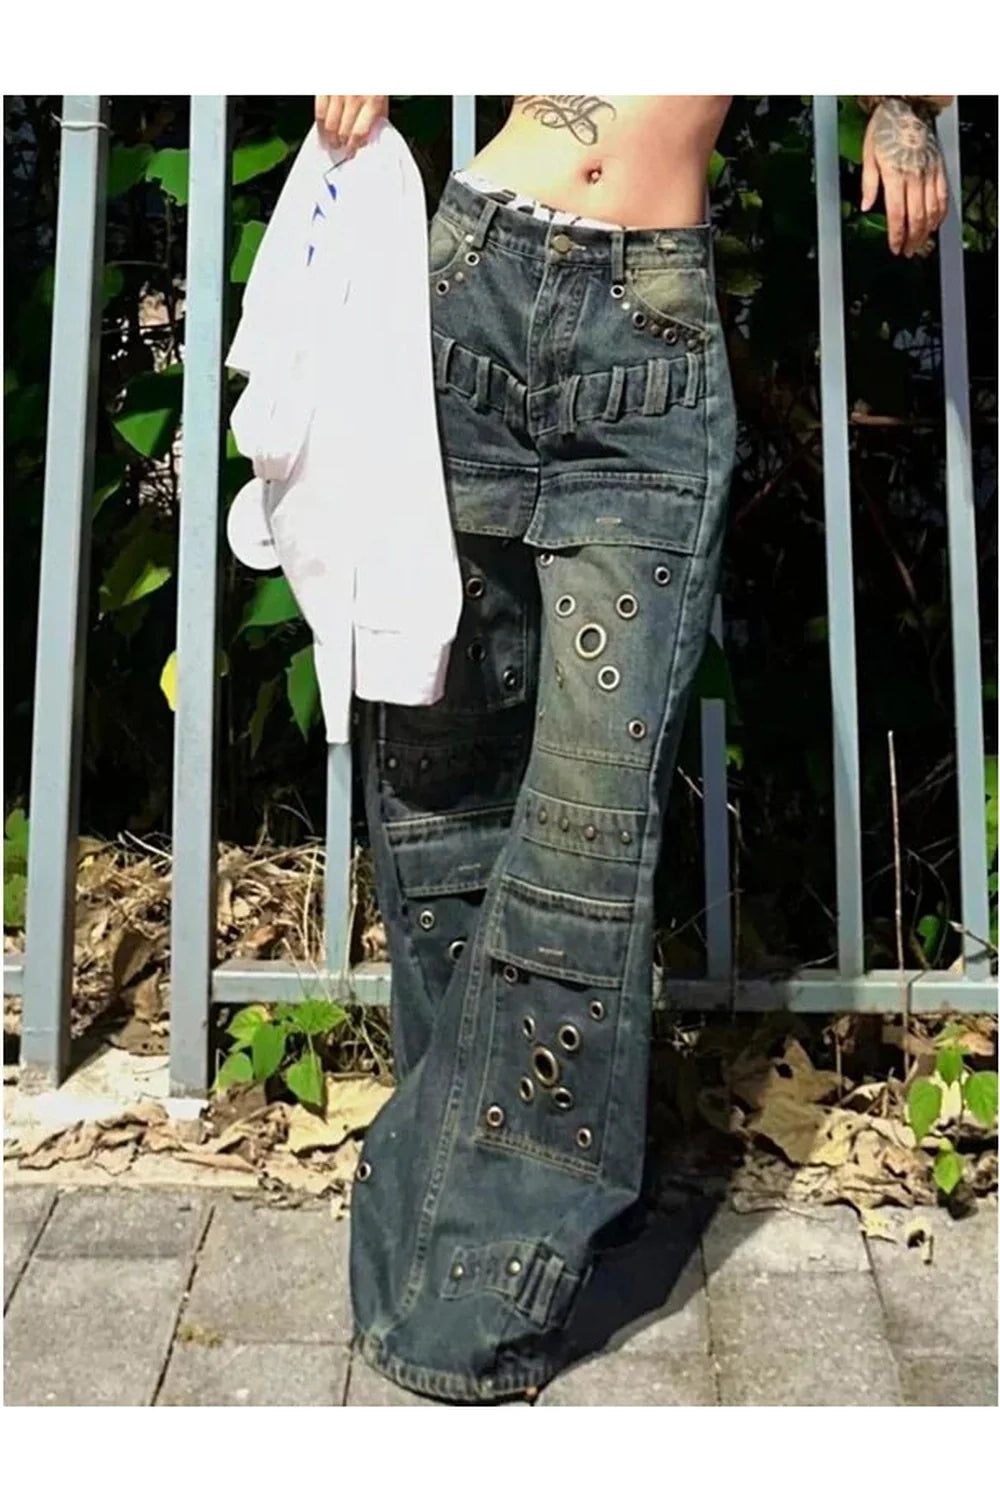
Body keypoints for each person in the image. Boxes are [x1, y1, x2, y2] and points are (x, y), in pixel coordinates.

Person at [312, 93, 954, 1404]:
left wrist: (907, 115)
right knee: (443, 783)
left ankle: (478, 1271)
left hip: (645, 333)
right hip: (472, 283)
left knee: (590, 834)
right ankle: (445, 1214)